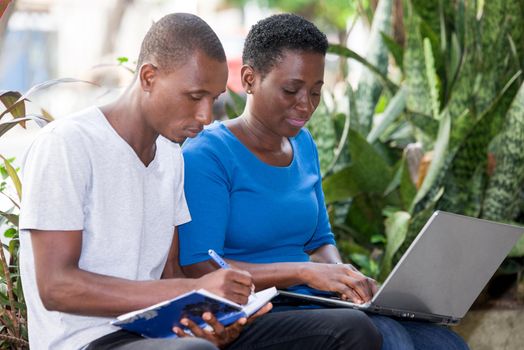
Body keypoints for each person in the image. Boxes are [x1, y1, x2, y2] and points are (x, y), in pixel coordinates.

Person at [19, 13, 381, 350]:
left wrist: (210, 316)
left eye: (213, 99)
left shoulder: (170, 157)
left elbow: (171, 274)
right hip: (89, 341)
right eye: (194, 97)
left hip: (158, 330)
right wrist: (193, 289)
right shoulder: (69, 144)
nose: (206, 116)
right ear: (148, 77)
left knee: (351, 330)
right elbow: (57, 287)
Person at [178, 13, 469, 350]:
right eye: (291, 89)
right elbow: (200, 265)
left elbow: (320, 240)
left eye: (316, 92)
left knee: (444, 342)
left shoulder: (303, 144)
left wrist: (344, 277)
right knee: (385, 337)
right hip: (254, 311)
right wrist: (303, 273)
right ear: (249, 79)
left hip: (318, 302)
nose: (306, 105)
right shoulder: (208, 153)